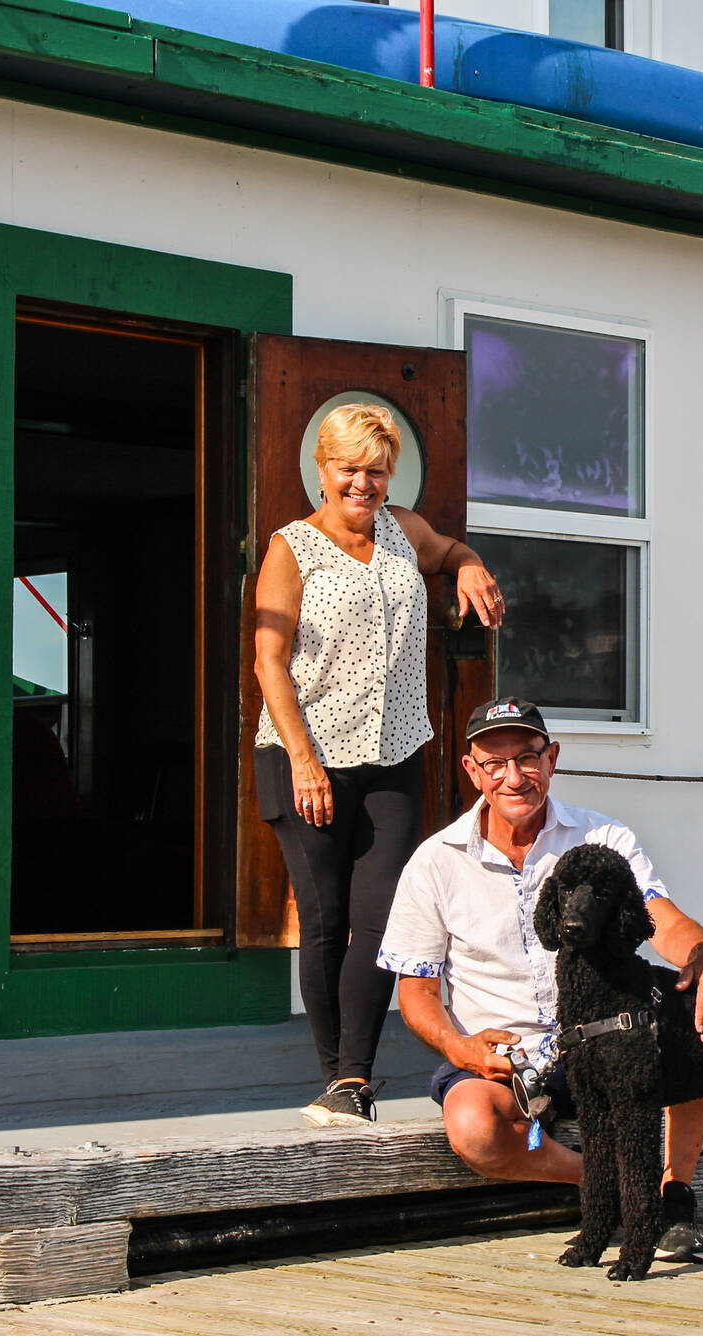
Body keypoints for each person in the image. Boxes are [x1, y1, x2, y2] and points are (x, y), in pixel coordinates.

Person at [380, 697, 703, 1263]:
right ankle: (614, 1183)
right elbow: (417, 991)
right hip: (508, 1057)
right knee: (473, 1128)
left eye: (527, 758)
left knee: (698, 1013)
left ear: (553, 760)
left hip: (607, 1035)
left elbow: (660, 918)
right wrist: (462, 1048)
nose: (514, 777)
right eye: (494, 764)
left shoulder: (604, 837)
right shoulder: (434, 861)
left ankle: (674, 1192)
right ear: (472, 771)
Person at [253, 403, 505, 1127]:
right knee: (327, 918)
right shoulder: (291, 547)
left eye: (375, 470)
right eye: (348, 469)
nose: (362, 483)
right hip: (308, 756)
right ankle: (337, 1075)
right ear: (322, 470)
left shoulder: (404, 533)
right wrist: (303, 759)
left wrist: (470, 568)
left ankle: (354, 1077)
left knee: (384, 917)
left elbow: (450, 549)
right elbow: (269, 660)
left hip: (394, 754)